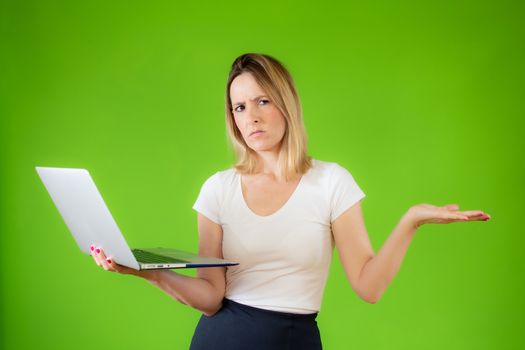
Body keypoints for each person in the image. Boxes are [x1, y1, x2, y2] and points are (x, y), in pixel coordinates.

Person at [90, 53, 491, 349]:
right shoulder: (217, 189)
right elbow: (211, 297)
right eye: (240, 107)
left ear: (286, 103)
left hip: (293, 339)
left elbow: (368, 287)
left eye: (263, 101)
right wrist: (144, 271)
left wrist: (411, 221)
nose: (251, 117)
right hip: (220, 339)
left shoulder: (332, 182)